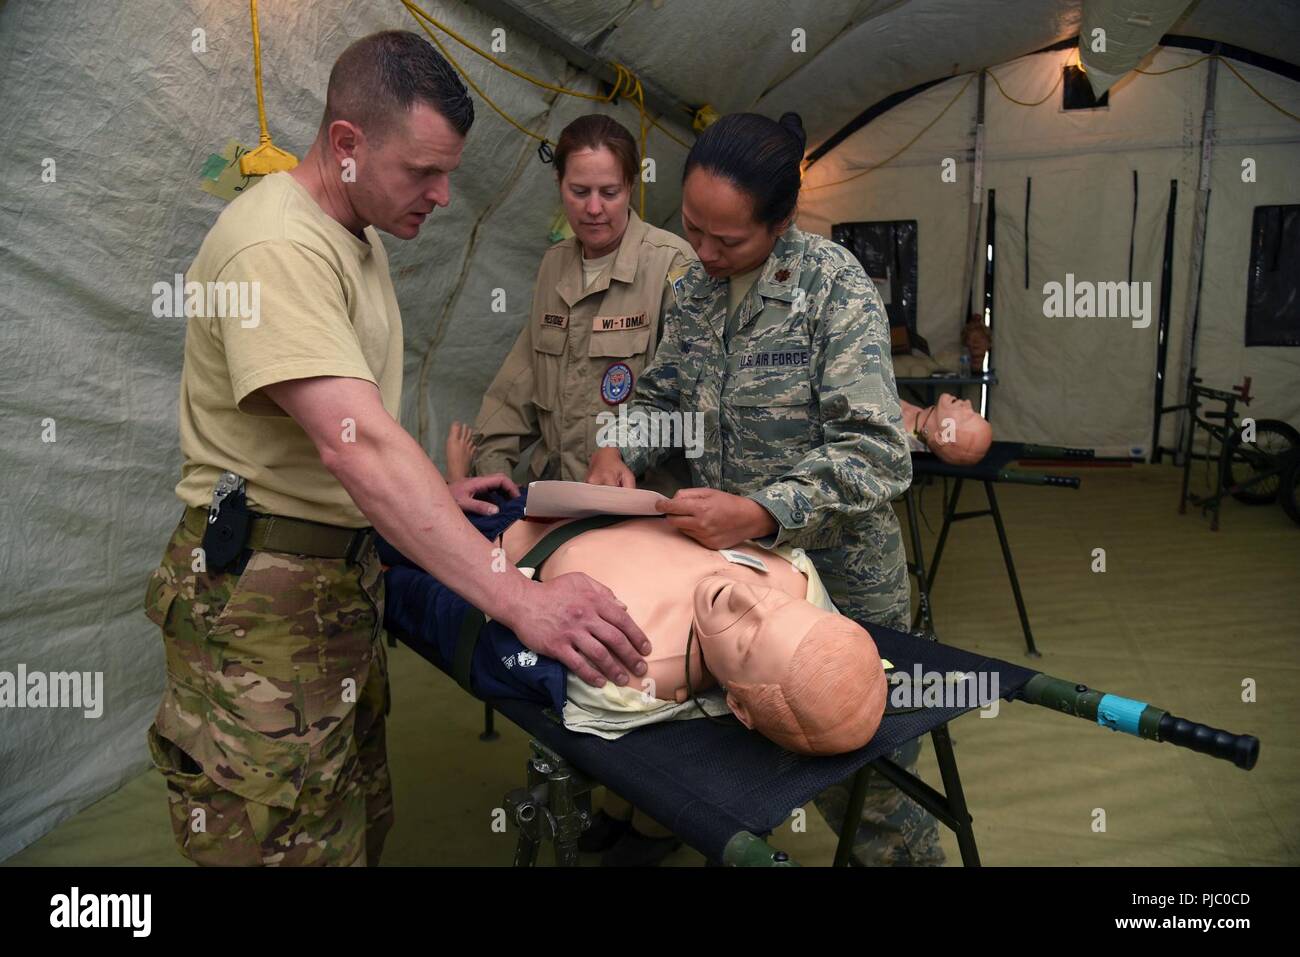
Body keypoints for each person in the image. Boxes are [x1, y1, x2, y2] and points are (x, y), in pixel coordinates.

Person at [143, 31, 650, 868]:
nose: (445, 195)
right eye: (423, 172)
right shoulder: (278, 246)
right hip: (263, 606)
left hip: (332, 587)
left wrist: (429, 499)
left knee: (343, 826)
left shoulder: (357, 237)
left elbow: (347, 427)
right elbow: (361, 448)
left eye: (449, 172)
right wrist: (520, 600)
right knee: (277, 842)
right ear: (347, 145)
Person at [586, 111, 945, 866]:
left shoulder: (832, 289)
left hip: (843, 586)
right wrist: (620, 446)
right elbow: (662, 400)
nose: (707, 253)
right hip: (741, 583)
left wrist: (762, 508)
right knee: (742, 758)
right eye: (693, 229)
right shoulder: (693, 291)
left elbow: (879, 451)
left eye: (729, 240)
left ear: (781, 222)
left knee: (867, 793)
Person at [450, 114, 695, 495]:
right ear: (559, 184)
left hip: (638, 507)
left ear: (631, 186)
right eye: (579, 192)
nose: (593, 208)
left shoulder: (671, 264)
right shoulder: (555, 265)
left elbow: (686, 400)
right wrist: (492, 466)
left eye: (609, 192)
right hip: (560, 498)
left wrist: (624, 457)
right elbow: (520, 382)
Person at [901, 395, 993, 464]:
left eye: (964, 417)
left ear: (941, 436)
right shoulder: (915, 420)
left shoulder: (895, 432)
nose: (967, 402)